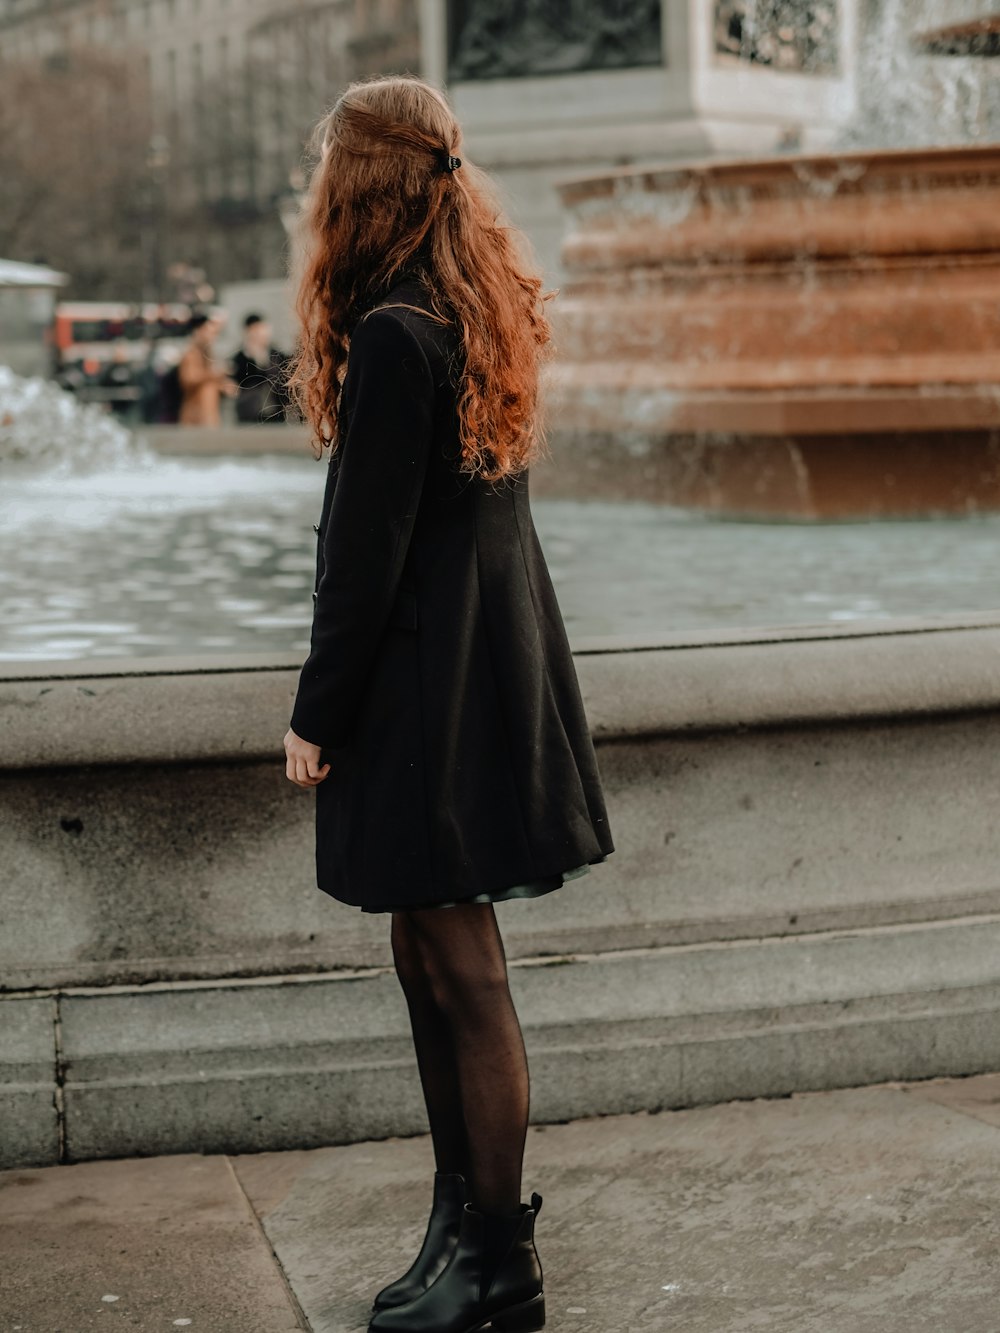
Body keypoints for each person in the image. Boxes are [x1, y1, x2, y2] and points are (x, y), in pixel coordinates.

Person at [283, 75, 614, 1333]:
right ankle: (459, 1226)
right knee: (428, 953)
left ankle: (497, 1262)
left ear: (359, 180)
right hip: (480, 671)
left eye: (331, 163)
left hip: (421, 693)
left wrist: (318, 713)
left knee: (458, 966)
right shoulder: (464, 308)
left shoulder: (391, 331)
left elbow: (361, 562)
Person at [176, 312, 235, 426]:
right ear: (198, 331)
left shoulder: (207, 354)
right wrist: (215, 374)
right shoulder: (190, 355)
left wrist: (223, 385)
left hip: (208, 414)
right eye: (209, 332)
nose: (212, 337)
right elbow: (189, 379)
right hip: (195, 415)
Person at [230, 313, 291, 423]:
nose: (263, 334)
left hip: (276, 412)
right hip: (250, 413)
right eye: (257, 331)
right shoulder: (241, 357)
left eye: (264, 330)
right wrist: (255, 356)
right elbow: (241, 382)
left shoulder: (276, 354)